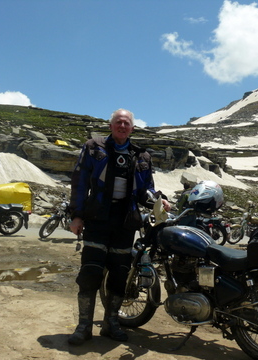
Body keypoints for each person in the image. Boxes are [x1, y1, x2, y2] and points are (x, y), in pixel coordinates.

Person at [68, 108, 171, 346]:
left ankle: (111, 323)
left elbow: (146, 189)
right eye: (118, 122)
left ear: (132, 128)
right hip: (97, 219)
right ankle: (84, 326)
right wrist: (77, 216)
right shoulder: (94, 147)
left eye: (126, 123)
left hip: (125, 223)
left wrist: (158, 200)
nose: (122, 126)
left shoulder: (141, 155)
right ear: (110, 125)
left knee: (119, 274)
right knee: (90, 273)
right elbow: (80, 182)